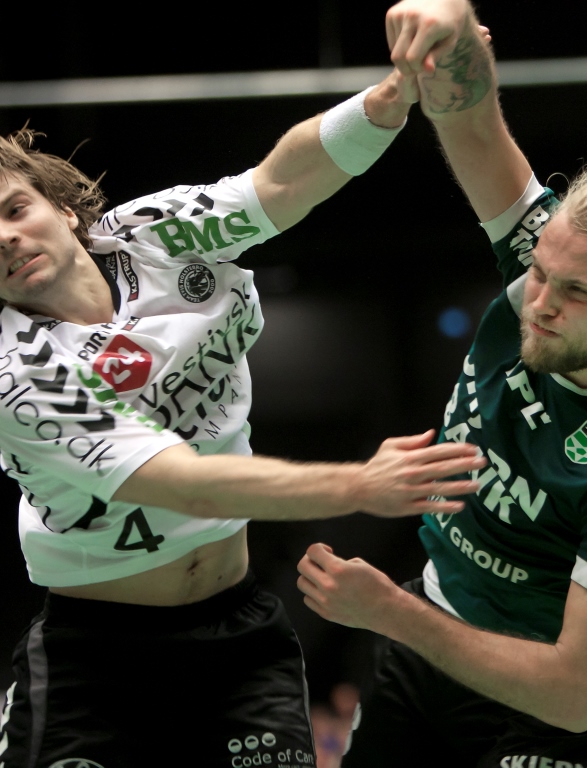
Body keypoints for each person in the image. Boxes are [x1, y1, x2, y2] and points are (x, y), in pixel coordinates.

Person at [0, 69, 487, 768]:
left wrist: (390, 98)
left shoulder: (154, 234)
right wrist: (357, 485)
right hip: (96, 663)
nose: (7, 237)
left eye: (16, 209)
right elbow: (187, 486)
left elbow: (280, 183)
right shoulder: (17, 372)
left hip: (238, 639)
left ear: (64, 210)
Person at [296, 1, 587, 766]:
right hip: (436, 637)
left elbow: (573, 691)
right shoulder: (559, 256)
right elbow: (470, 123)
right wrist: (454, 34)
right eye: (540, 273)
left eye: (574, 293)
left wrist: (388, 610)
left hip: (551, 702)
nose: (540, 303)